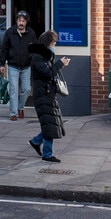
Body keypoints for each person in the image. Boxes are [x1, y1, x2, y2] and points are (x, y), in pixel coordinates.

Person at [26, 30, 64, 162]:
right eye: (53, 43)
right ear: (47, 43)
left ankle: (36, 141)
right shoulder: (37, 57)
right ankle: (47, 154)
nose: (54, 45)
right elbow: (47, 73)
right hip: (42, 95)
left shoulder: (45, 56)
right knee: (49, 125)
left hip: (48, 93)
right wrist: (60, 64)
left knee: (51, 123)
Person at [0, 10, 36, 120]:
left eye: (23, 21)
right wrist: (2, 63)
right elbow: (4, 48)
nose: (21, 23)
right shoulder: (10, 32)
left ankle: (21, 107)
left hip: (26, 66)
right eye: (19, 20)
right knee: (13, 89)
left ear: (26, 22)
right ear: (16, 21)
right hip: (13, 65)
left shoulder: (31, 33)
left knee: (27, 89)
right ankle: (13, 113)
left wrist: (34, 61)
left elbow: (35, 49)